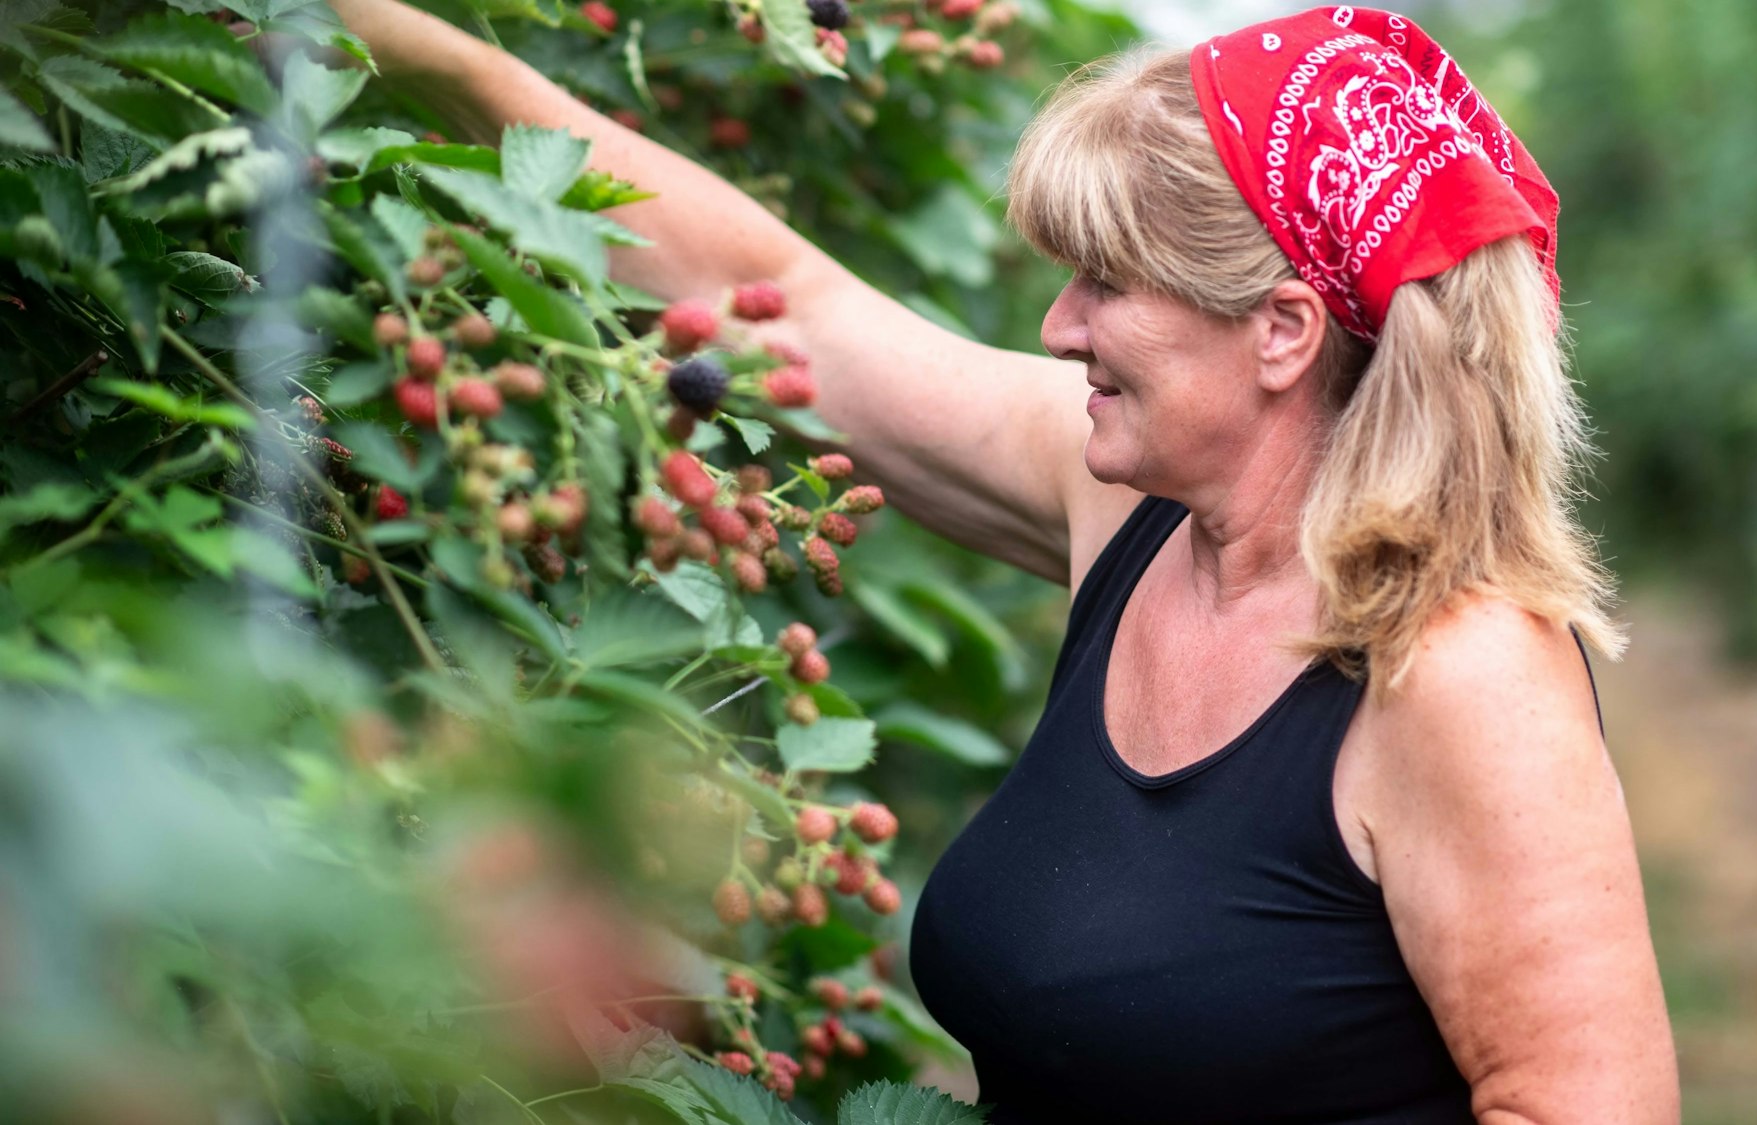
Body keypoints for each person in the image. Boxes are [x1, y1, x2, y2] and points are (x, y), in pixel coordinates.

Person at [326, 2, 1680, 1120]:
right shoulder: (1142, 518)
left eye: (1104, 279)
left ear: (1279, 333)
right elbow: (787, 311)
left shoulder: (1459, 674)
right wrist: (425, 54)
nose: (1057, 322)